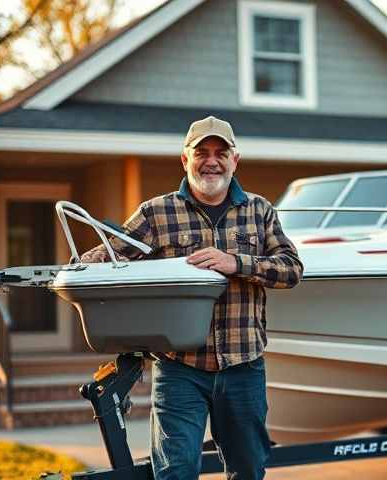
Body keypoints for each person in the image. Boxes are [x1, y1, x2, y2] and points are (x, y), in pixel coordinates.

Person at [79, 115, 303, 479]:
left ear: (235, 160)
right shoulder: (156, 213)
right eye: (201, 152)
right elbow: (107, 256)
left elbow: (291, 269)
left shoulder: (259, 211)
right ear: (185, 159)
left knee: (248, 469)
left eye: (221, 152)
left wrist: (236, 263)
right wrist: (77, 267)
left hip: (243, 366)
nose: (211, 161)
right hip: (179, 368)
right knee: (176, 470)